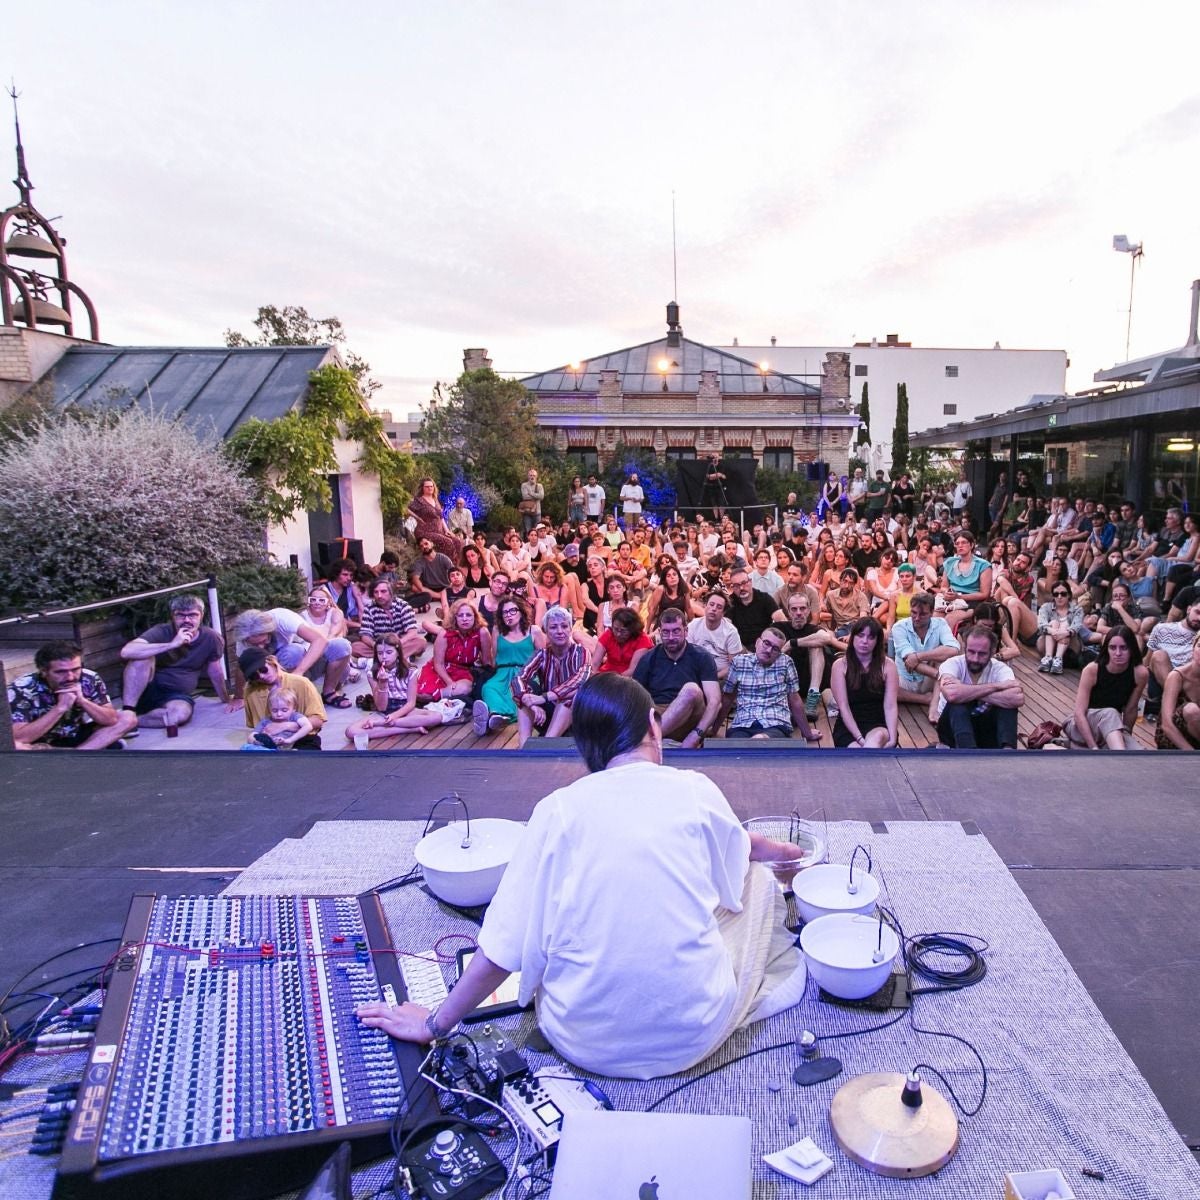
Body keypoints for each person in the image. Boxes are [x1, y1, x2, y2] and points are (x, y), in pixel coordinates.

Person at [357, 673, 809, 1077]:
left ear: (585, 746)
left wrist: (434, 1024)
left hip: (579, 1039)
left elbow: (500, 949)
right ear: (653, 725)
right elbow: (742, 847)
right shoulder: (694, 790)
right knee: (756, 879)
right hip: (692, 1034)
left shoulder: (557, 810)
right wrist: (788, 855)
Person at [119, 593, 233, 731]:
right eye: (180, 615)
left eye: (192, 615)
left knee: (180, 714)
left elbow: (215, 671)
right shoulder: (161, 631)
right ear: (173, 616)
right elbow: (126, 651)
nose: (187, 620)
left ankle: (128, 721)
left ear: (201, 616)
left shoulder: (211, 638)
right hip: (145, 690)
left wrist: (226, 699)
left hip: (175, 696)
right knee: (142, 658)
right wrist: (172, 644)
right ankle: (128, 711)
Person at [9, 640, 137, 750]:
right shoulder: (21, 688)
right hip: (39, 741)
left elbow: (111, 720)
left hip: (75, 733)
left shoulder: (89, 678)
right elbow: (19, 737)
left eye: (75, 669)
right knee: (16, 745)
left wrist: (83, 701)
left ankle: (78, 754)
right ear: (43, 671)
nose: (70, 677)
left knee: (127, 717)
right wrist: (60, 708)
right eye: (61, 672)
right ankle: (94, 748)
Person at [633, 608, 721, 748]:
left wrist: (696, 735)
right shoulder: (649, 658)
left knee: (691, 689)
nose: (671, 637)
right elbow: (635, 699)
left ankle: (647, 742)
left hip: (690, 717)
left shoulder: (702, 657)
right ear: (659, 632)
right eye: (666, 632)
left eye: (676, 631)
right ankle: (652, 739)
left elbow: (715, 702)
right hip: (657, 714)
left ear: (686, 631)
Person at [718, 627, 822, 742]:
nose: (769, 650)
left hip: (775, 724)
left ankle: (757, 741)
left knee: (761, 741)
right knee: (736, 745)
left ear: (780, 652)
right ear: (757, 642)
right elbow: (727, 698)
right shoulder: (739, 662)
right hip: (743, 724)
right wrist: (714, 730)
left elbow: (795, 700)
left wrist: (807, 733)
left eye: (775, 649)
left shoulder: (785, 662)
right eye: (766, 643)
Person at [234, 607, 352, 707]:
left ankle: (328, 693)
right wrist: (239, 697)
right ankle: (292, 699)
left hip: (306, 662)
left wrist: (298, 673)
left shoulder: (282, 617)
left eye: (263, 641)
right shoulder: (244, 637)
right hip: (279, 673)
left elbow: (320, 641)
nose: (261, 646)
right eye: (255, 644)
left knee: (341, 645)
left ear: (269, 630)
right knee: (292, 653)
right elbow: (241, 667)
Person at [513, 606, 590, 746]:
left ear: (570, 629)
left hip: (577, 716)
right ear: (546, 631)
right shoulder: (541, 654)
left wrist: (544, 697)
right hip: (546, 714)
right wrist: (530, 703)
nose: (560, 631)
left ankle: (547, 743)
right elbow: (518, 679)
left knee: (571, 694)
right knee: (524, 691)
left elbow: (579, 680)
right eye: (553, 627)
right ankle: (523, 746)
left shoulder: (581, 652)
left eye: (564, 626)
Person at [345, 635, 445, 742]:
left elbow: (411, 703)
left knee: (436, 717)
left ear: (397, 652)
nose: (384, 657)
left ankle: (387, 724)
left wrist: (393, 717)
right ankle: (408, 729)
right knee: (351, 732)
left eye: (389, 652)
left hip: (405, 711)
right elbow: (381, 707)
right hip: (383, 713)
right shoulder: (372, 674)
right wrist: (383, 684)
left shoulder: (410, 671)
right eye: (380, 653)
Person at [935, 628, 1023, 750]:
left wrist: (965, 691)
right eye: (971, 652)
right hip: (952, 731)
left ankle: (1007, 752)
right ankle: (969, 753)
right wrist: (996, 687)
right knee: (957, 704)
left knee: (1008, 706)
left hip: (986, 730)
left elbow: (1017, 698)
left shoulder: (1001, 669)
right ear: (964, 648)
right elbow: (952, 695)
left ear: (992, 652)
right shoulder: (952, 664)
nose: (975, 659)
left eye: (982, 654)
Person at [1062, 626, 1147, 752]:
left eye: (1123, 648)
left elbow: (1131, 709)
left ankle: (1076, 746)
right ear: (1106, 649)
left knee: (1139, 753)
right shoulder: (1092, 670)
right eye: (1112, 648)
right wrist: (1093, 748)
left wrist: (1126, 737)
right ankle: (1098, 749)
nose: (1118, 653)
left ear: (1132, 649)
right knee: (1110, 713)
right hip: (1081, 726)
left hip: (1112, 728)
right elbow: (1079, 713)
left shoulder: (1140, 673)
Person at [473, 597, 543, 735]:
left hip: (525, 674)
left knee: (518, 694)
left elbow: (542, 658)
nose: (508, 615)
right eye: (505, 612)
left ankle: (496, 717)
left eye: (512, 611)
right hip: (502, 673)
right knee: (488, 687)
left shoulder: (534, 630)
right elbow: (494, 657)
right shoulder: (497, 630)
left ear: (521, 612)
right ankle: (496, 715)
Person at [237, 648, 327, 749]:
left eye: (263, 670)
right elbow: (257, 728)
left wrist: (285, 726)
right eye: (254, 676)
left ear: (272, 661)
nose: (261, 676)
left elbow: (318, 720)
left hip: (304, 738)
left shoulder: (301, 683)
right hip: (270, 741)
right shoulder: (251, 692)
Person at [829, 617, 898, 748]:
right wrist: (860, 739)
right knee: (857, 751)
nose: (865, 641)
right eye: (860, 636)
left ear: (877, 641)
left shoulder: (888, 666)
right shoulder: (839, 666)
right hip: (848, 726)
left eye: (871, 637)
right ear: (853, 637)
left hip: (878, 724)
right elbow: (843, 706)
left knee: (876, 739)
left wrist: (893, 739)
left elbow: (890, 706)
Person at [889, 592, 960, 707]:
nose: (917, 618)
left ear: (932, 612)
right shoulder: (899, 627)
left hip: (929, 681)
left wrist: (919, 656)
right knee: (880, 684)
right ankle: (926, 699)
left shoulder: (940, 623)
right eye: (914, 612)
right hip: (904, 680)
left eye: (922, 614)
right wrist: (938, 674)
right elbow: (909, 660)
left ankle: (933, 700)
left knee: (944, 660)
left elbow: (954, 649)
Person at [416, 600, 492, 702]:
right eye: (460, 615)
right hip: (440, 670)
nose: (465, 619)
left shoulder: (482, 632)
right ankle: (439, 696)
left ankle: (436, 697)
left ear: (475, 616)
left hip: (463, 671)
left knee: (466, 688)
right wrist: (450, 683)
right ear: (455, 617)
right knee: (423, 693)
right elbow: (438, 664)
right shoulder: (444, 634)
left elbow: (487, 661)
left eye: (468, 615)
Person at [357, 579, 426, 663]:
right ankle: (399, 658)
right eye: (376, 592)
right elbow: (365, 634)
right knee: (355, 647)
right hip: (379, 645)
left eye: (383, 591)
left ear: (391, 593)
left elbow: (412, 632)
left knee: (421, 643)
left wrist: (397, 645)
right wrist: (375, 645)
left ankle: (381, 659)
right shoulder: (369, 608)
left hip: (399, 643)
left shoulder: (403, 606)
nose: (379, 596)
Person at [1155, 631, 1200, 750]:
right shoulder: (1177, 676)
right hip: (1174, 740)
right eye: (1199, 646)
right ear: (1193, 647)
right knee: (1191, 710)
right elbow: (1166, 725)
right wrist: (1192, 754)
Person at [687, 591, 744, 683]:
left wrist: (712, 678)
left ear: (723, 612)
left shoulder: (731, 632)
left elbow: (734, 665)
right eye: (711, 604)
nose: (714, 609)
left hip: (720, 677)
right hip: (695, 674)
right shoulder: (693, 625)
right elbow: (687, 655)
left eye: (719, 607)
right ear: (705, 606)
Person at [1035, 583, 1086, 674]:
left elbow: (1076, 627)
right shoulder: (1046, 607)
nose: (1059, 597)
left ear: (1069, 595)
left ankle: (1058, 659)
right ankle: (1048, 658)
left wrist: (1064, 633)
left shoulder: (1077, 610)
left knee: (1065, 626)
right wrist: (1054, 631)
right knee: (1053, 623)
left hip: (1070, 649)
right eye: (1056, 594)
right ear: (1052, 596)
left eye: (1063, 594)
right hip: (1045, 646)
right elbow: (1041, 624)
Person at [589, 606, 653, 677]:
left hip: (628, 679)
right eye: (616, 629)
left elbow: (633, 670)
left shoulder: (643, 639)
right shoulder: (609, 634)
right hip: (606, 674)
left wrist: (611, 682)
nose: (618, 634)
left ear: (632, 629)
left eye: (623, 631)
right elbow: (594, 664)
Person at [242, 687, 313, 751]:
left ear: (294, 708)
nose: (279, 714)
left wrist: (289, 740)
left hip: (284, 748)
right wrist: (257, 742)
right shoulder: (266, 721)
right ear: (269, 709)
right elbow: (251, 736)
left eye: (284, 710)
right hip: (265, 747)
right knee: (245, 747)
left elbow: (308, 726)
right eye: (274, 710)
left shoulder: (294, 716)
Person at [409, 477, 463, 560]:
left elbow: (441, 517)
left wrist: (447, 530)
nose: (430, 488)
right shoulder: (419, 500)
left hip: (439, 531)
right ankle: (448, 565)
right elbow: (406, 509)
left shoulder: (435, 500)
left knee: (457, 542)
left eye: (431, 486)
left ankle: (457, 564)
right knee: (448, 542)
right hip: (425, 531)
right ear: (423, 488)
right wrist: (417, 517)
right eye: (427, 486)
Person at [726, 568, 779, 651]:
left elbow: (781, 621)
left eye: (744, 583)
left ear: (750, 582)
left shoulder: (765, 598)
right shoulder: (730, 602)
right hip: (740, 647)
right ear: (732, 587)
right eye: (736, 585)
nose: (741, 588)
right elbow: (726, 628)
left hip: (765, 646)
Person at [702, 454, 728, 519]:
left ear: (718, 458)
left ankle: (722, 518)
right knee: (714, 504)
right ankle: (716, 519)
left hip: (720, 487)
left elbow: (722, 475)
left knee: (721, 503)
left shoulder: (721, 465)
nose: (715, 458)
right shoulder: (710, 466)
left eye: (716, 457)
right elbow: (708, 476)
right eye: (714, 457)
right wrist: (718, 475)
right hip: (711, 487)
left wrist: (713, 476)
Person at [519, 468, 544, 534]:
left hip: (537, 512)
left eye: (534, 475)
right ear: (528, 476)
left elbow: (541, 496)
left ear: (536, 476)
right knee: (528, 531)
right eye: (531, 475)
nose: (532, 477)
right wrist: (536, 496)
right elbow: (525, 497)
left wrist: (530, 493)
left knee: (537, 531)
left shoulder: (539, 486)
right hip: (527, 512)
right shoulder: (524, 485)